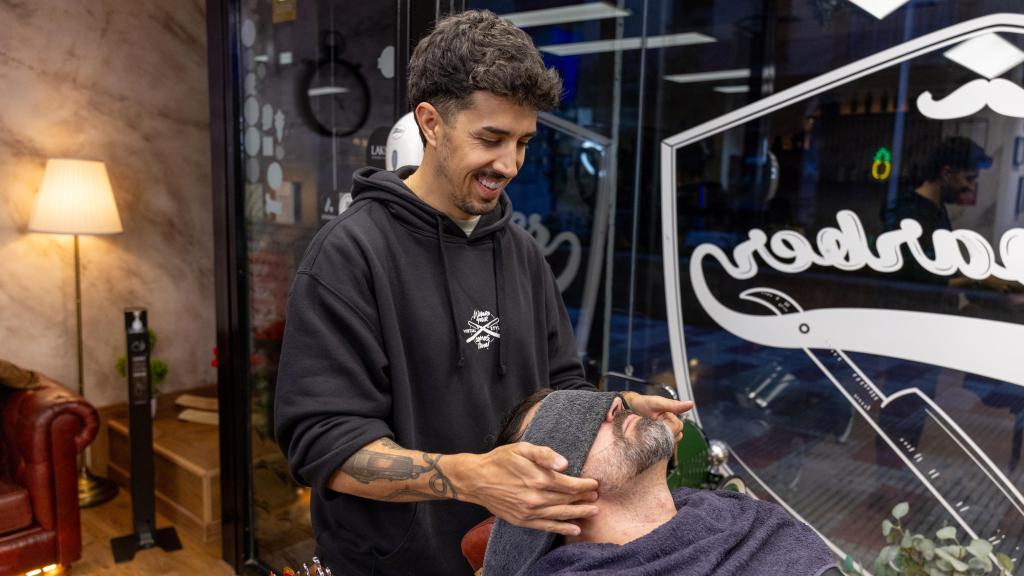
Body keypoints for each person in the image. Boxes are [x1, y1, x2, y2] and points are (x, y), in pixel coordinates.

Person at [274, 10, 692, 576]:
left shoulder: (521, 254)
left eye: (523, 142)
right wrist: (472, 477)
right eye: (491, 138)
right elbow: (324, 445)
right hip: (393, 563)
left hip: (515, 556)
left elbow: (560, 386)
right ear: (430, 123)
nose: (510, 164)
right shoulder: (349, 255)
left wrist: (615, 413)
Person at [483, 389, 839, 576]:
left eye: (608, 404)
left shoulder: (748, 521)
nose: (615, 407)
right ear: (539, 485)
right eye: (568, 421)